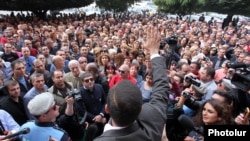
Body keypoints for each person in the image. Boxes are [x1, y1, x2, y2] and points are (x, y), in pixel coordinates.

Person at [94, 26, 170, 141]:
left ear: (107, 109)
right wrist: (154, 52)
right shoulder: (153, 121)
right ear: (140, 110)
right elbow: (161, 89)